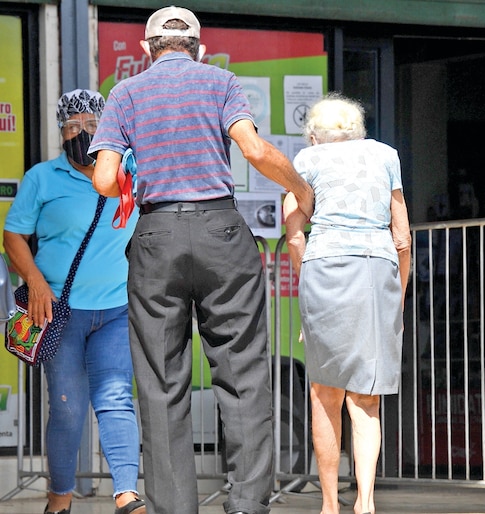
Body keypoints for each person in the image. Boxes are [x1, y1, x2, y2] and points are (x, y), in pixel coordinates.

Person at [88, 7, 314, 514]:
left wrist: (129, 167)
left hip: (156, 237)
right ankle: (248, 505)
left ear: (148, 49)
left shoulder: (126, 93)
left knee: (160, 380)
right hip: (221, 231)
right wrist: (301, 188)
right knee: (243, 373)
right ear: (199, 47)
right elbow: (253, 149)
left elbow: (103, 181)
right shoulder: (222, 81)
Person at [3, 89, 144, 514]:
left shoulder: (130, 173)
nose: (81, 133)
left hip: (117, 308)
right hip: (57, 312)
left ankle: (125, 493)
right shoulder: (42, 178)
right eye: (72, 126)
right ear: (61, 132)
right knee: (66, 408)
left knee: (117, 395)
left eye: (90, 125)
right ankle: (59, 499)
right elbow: (13, 236)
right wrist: (35, 281)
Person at [284, 93, 411, 514]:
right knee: (366, 397)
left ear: (315, 135)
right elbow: (402, 236)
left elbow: (295, 231)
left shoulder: (307, 160)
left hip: (325, 268)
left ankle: (328, 505)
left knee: (325, 393)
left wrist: (308, 293)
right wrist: (398, 297)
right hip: (377, 269)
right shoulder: (386, 155)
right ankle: (366, 503)